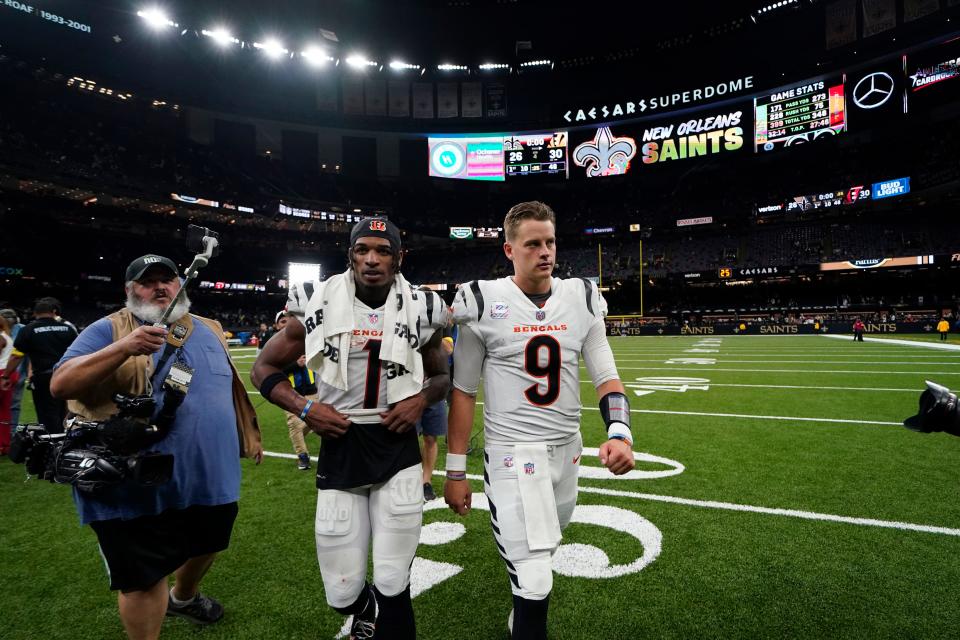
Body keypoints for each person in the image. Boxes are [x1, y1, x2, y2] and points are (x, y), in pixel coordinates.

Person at [444, 201, 635, 640]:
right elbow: (464, 391)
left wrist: (620, 434)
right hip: (513, 456)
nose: (545, 251)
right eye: (533, 244)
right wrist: (456, 471)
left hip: (568, 453)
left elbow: (606, 377)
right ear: (509, 249)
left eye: (549, 241)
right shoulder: (482, 300)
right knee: (535, 578)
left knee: (544, 553)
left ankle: (521, 608)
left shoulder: (582, 298)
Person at [252, 217, 450, 640]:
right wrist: (306, 409)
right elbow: (263, 369)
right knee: (340, 591)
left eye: (382, 251)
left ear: (400, 258)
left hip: (396, 446)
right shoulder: (313, 300)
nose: (372, 260)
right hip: (341, 442)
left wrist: (419, 400)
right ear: (350, 255)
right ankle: (365, 611)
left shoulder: (424, 306)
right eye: (363, 250)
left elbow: (441, 377)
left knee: (396, 578)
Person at [49, 254, 263, 640]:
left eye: (168, 279)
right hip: (131, 481)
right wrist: (123, 349)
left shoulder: (209, 328)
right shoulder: (108, 329)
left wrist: (248, 436)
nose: (161, 287)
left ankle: (183, 597)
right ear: (130, 291)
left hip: (208, 476)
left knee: (211, 538)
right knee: (144, 578)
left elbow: (226, 390)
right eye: (148, 282)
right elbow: (61, 384)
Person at [1, 297, 77, 433]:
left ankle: (52, 444)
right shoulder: (68, 329)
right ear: (54, 311)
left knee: (46, 413)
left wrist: (6, 376)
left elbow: (16, 356)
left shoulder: (28, 330)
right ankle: (63, 440)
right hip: (66, 376)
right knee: (63, 411)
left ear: (35, 313)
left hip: (43, 377)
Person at [284, 351, 318, 471]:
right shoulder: (283, 346)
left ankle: (296, 438)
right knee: (295, 425)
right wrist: (296, 364)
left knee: (314, 423)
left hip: (312, 392)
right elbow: (276, 370)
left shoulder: (312, 342)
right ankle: (303, 456)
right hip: (291, 393)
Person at [0, 308, 28, 428]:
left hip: (15, 374)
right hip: (12, 373)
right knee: (8, 406)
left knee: (14, 405)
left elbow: (27, 354)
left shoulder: (23, 330)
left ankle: (11, 431)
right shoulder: (22, 329)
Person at [0, 314, 19, 454]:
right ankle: (4, 445)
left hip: (2, 373)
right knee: (4, 411)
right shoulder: (6, 335)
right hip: (7, 372)